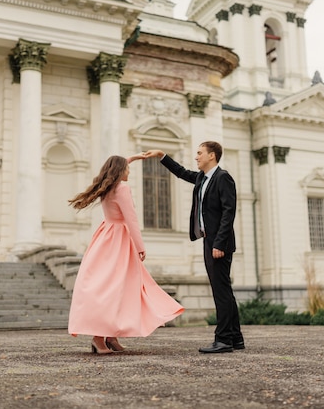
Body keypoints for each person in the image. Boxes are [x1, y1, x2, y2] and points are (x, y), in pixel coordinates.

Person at [67, 154, 184, 354]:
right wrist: (140, 246)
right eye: (127, 168)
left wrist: (134, 158)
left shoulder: (108, 188)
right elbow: (131, 219)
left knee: (114, 287)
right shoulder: (122, 189)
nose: (129, 171)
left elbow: (116, 164)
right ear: (120, 171)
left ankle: (111, 336)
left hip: (105, 238)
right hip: (120, 241)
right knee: (115, 288)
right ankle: (99, 338)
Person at [143, 142, 244, 353]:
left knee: (221, 291)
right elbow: (181, 172)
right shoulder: (202, 178)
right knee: (224, 290)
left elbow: (229, 212)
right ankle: (235, 338)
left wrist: (218, 243)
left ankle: (224, 339)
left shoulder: (223, 177)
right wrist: (162, 155)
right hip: (209, 240)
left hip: (219, 243)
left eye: (200, 153)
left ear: (212, 156)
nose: (196, 157)